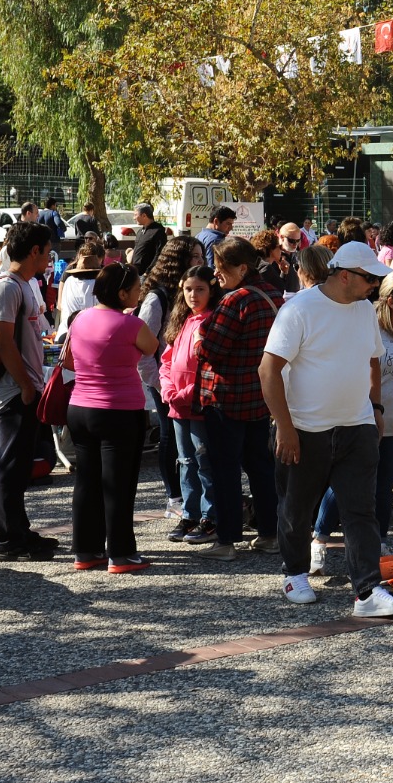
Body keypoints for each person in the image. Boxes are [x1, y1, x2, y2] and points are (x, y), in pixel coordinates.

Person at [260, 241, 393, 618]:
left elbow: (373, 362)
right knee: (296, 508)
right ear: (344, 275)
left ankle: (367, 591)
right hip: (305, 429)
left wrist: (375, 408)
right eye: (368, 278)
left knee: (361, 510)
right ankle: (294, 572)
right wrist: (285, 427)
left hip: (356, 426)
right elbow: (268, 370)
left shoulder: (363, 310)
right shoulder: (299, 310)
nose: (374, 286)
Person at [310, 270, 393, 575]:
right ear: (391, 301)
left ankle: (376, 545)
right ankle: (318, 540)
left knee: (382, 489)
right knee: (347, 484)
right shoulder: (368, 329)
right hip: (362, 419)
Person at [61, 263, 158, 573]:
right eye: (136, 287)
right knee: (119, 484)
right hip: (119, 409)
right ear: (121, 293)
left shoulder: (80, 320)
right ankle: (121, 553)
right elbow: (152, 347)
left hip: (80, 408)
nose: (140, 291)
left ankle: (86, 550)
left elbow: (71, 359)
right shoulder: (130, 324)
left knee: (87, 482)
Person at [197, 236, 282, 555]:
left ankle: (227, 540)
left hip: (227, 397)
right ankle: (270, 534)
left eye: (221, 268)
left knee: (224, 469)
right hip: (261, 396)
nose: (216, 274)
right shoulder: (274, 295)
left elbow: (210, 350)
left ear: (242, 268)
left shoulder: (236, 301)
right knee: (261, 467)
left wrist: (198, 340)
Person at [0, 221, 57, 562]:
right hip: (15, 389)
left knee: (18, 465)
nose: (49, 257)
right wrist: (27, 385)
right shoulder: (7, 287)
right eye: (47, 251)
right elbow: (2, 341)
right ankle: (6, 539)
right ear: (34, 252)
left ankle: (19, 531)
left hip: (26, 385)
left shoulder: (23, 284)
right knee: (11, 464)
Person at [136, 236, 199, 519]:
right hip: (164, 381)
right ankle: (174, 496)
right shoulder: (157, 297)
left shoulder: (194, 291)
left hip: (190, 381)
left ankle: (193, 495)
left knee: (191, 442)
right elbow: (143, 352)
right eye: (194, 257)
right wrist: (161, 385)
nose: (200, 262)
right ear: (178, 261)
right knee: (170, 437)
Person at [159, 265, 220, 554]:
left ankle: (211, 516)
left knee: (204, 460)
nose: (193, 295)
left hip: (199, 404)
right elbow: (167, 360)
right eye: (188, 289)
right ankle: (189, 513)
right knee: (185, 462)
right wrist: (167, 388)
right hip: (178, 406)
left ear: (211, 290)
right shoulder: (182, 320)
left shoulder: (212, 321)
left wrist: (183, 393)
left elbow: (208, 369)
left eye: (200, 289)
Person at [128, 204, 168, 274]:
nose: (134, 218)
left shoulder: (158, 231)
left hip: (148, 274)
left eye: (135, 215)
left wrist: (148, 272)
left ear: (144, 215)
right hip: (136, 272)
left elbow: (159, 254)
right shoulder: (140, 232)